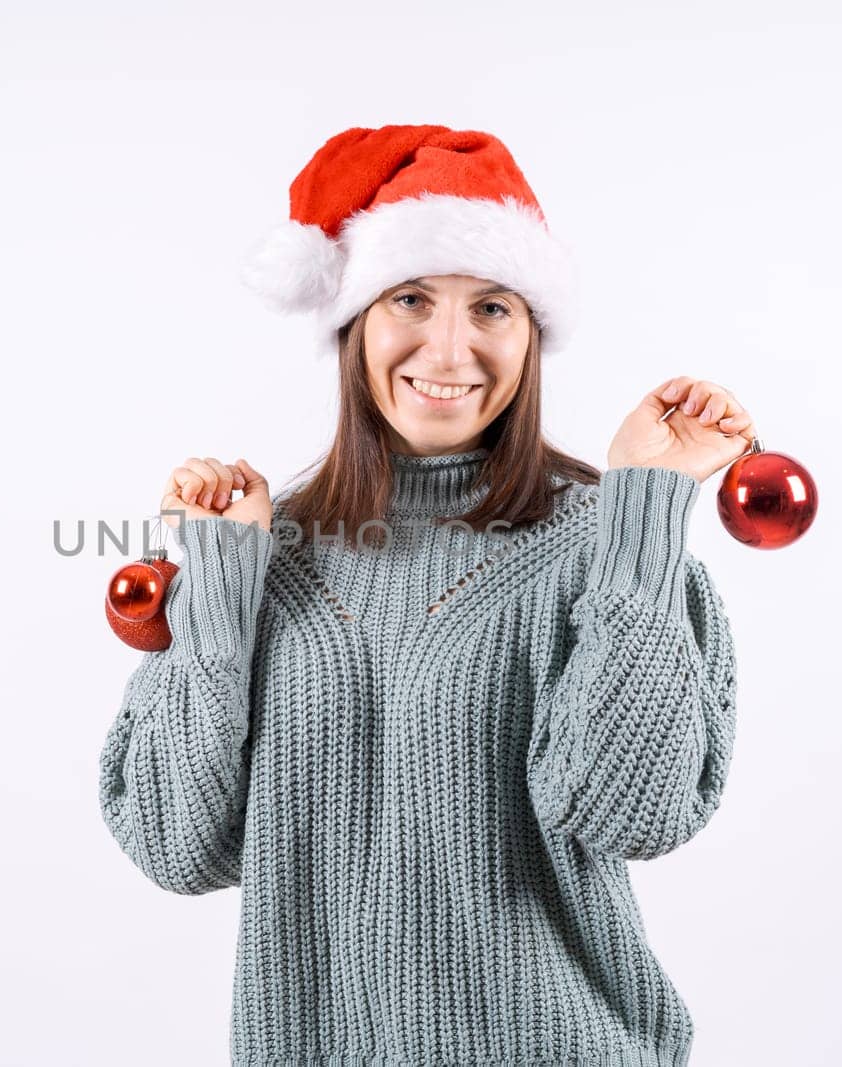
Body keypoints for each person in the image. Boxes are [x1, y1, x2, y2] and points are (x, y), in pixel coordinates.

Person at [97, 124, 755, 1067]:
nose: (450, 348)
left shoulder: (610, 542)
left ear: (532, 337)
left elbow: (628, 812)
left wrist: (646, 512)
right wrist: (222, 589)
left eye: (492, 307)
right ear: (355, 321)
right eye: (410, 298)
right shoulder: (266, 555)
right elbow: (175, 841)